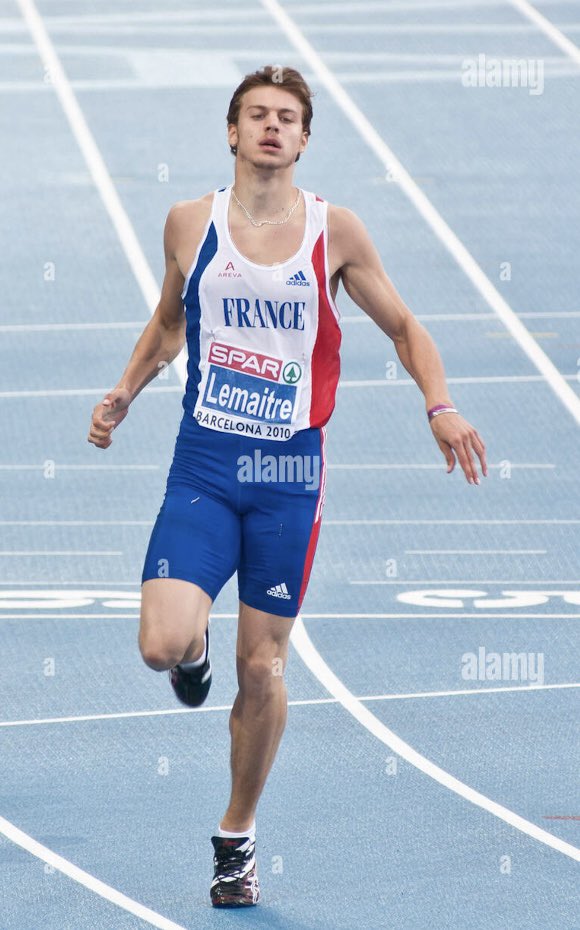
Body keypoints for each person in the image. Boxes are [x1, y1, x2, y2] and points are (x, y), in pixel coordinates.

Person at [88, 64, 487, 908]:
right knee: (161, 646)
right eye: (257, 115)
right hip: (203, 462)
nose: (272, 127)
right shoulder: (189, 223)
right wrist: (126, 390)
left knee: (262, 669)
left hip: (286, 477)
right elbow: (169, 321)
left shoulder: (334, 232)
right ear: (231, 133)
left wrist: (439, 402)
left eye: (288, 118)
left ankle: (235, 835)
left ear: (305, 140)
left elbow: (406, 325)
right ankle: (190, 650)